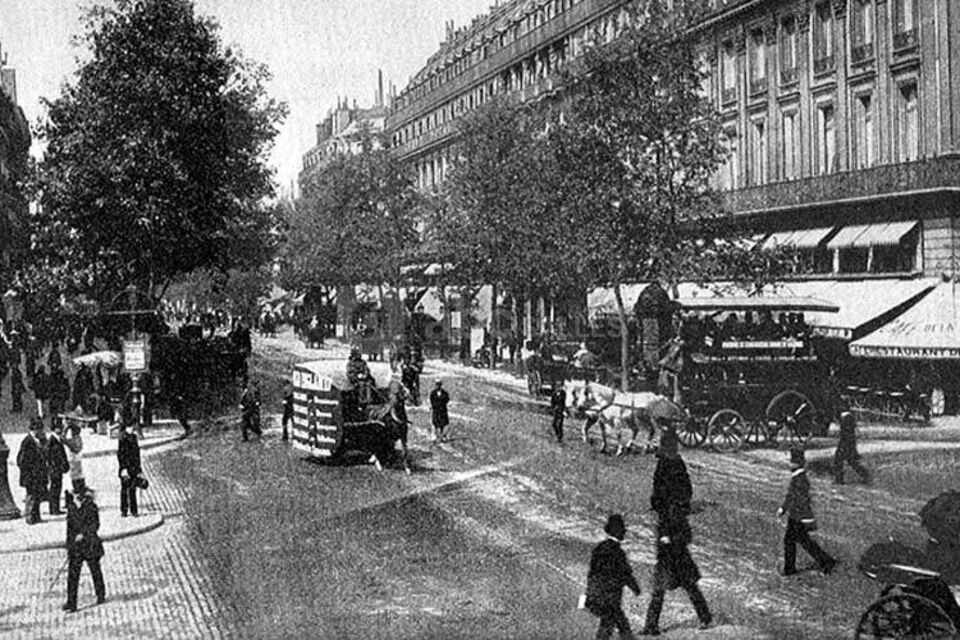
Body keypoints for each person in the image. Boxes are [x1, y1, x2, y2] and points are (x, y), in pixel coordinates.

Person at [640, 503, 713, 635]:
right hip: (666, 562)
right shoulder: (663, 521)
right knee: (659, 593)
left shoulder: (677, 518)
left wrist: (671, 540)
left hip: (679, 562)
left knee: (691, 590)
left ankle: (705, 618)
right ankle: (651, 626)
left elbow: (687, 537)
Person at [778, 447, 837, 576]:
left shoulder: (800, 480)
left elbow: (796, 499)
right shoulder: (799, 478)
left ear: (797, 463)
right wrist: (784, 508)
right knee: (801, 541)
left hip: (798, 517)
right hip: (797, 516)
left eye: (792, 461)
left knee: (795, 541)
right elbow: (791, 496)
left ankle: (791, 568)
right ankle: (825, 561)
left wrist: (786, 509)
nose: (790, 464)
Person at [584, 514, 641, 640]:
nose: (624, 533)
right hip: (610, 596)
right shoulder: (618, 552)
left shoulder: (599, 548)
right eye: (623, 531)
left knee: (611, 620)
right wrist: (635, 588)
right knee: (616, 620)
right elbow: (626, 574)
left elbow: (592, 572)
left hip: (597, 593)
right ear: (618, 532)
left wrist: (587, 594)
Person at [63, 486, 106, 612]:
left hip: (90, 545)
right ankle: (71, 602)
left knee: (95, 570)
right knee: (73, 575)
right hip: (76, 548)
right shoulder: (71, 508)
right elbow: (69, 529)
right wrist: (69, 545)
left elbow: (95, 525)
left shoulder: (91, 506)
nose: (77, 498)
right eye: (75, 495)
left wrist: (83, 534)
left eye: (79, 496)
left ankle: (100, 594)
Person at [650, 427, 692, 518]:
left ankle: (670, 502)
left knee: (664, 480)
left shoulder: (666, 459)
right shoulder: (676, 460)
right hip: (671, 461)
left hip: (669, 462)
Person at [17, 418, 48, 524]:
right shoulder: (27, 442)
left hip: (38, 474)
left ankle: (36, 516)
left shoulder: (38, 440)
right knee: (31, 496)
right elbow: (21, 460)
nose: (43, 432)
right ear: (35, 430)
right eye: (41, 430)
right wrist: (30, 469)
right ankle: (30, 517)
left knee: (37, 496)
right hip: (30, 475)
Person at [833, 411, 871, 485]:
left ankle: (839, 479)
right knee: (850, 460)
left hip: (846, 440)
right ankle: (865, 475)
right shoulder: (846, 417)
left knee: (839, 459)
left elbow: (846, 433)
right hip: (848, 440)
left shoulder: (846, 417)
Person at [117, 420, 141, 517]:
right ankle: (124, 510)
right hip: (126, 468)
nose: (131, 429)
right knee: (124, 490)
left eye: (132, 427)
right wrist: (123, 468)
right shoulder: (122, 439)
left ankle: (134, 510)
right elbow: (120, 455)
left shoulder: (134, 438)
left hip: (134, 468)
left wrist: (139, 468)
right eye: (129, 427)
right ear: (126, 428)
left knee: (133, 489)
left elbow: (137, 454)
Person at [46, 420, 70, 516]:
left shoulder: (57, 439)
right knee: (55, 489)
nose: (61, 430)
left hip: (57, 469)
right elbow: (49, 456)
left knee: (57, 489)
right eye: (59, 428)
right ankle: (54, 509)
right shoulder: (52, 441)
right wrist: (54, 467)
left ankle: (55, 508)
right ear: (55, 429)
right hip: (54, 470)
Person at [64, 423, 86, 492]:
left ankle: (78, 488)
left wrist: (66, 430)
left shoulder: (76, 439)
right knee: (77, 474)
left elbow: (64, 440)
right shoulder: (76, 438)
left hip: (75, 459)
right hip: (76, 459)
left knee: (75, 475)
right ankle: (79, 487)